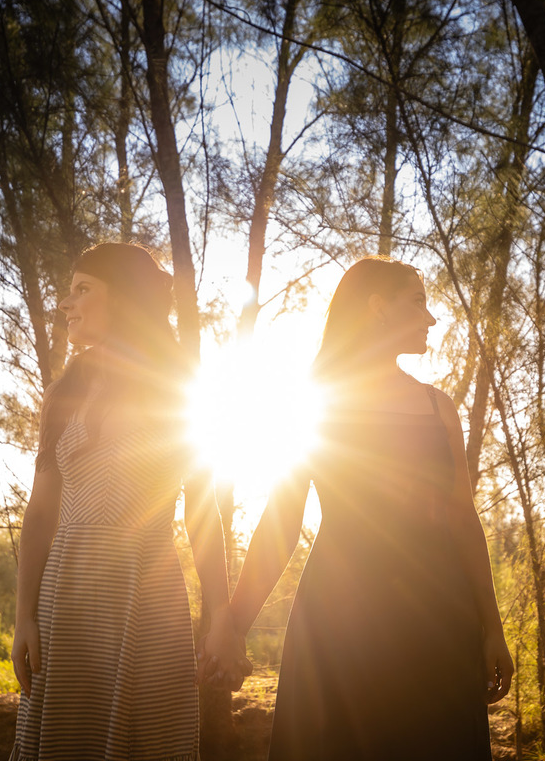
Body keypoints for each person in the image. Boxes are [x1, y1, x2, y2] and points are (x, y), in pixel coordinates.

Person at [209, 256, 514, 760]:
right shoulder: (314, 402)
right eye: (417, 302)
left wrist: (492, 628)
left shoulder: (439, 407)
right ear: (377, 308)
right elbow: (282, 523)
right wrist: (234, 626)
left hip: (437, 622)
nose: (431, 317)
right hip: (338, 623)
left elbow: (462, 519)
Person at [10, 242, 243, 761]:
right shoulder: (63, 391)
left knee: (149, 741)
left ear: (126, 297)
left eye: (82, 290)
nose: (67, 304)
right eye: (69, 292)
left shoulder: (177, 386)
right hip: (64, 597)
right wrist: (24, 615)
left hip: (148, 595)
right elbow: (41, 513)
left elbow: (202, 510)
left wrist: (221, 614)